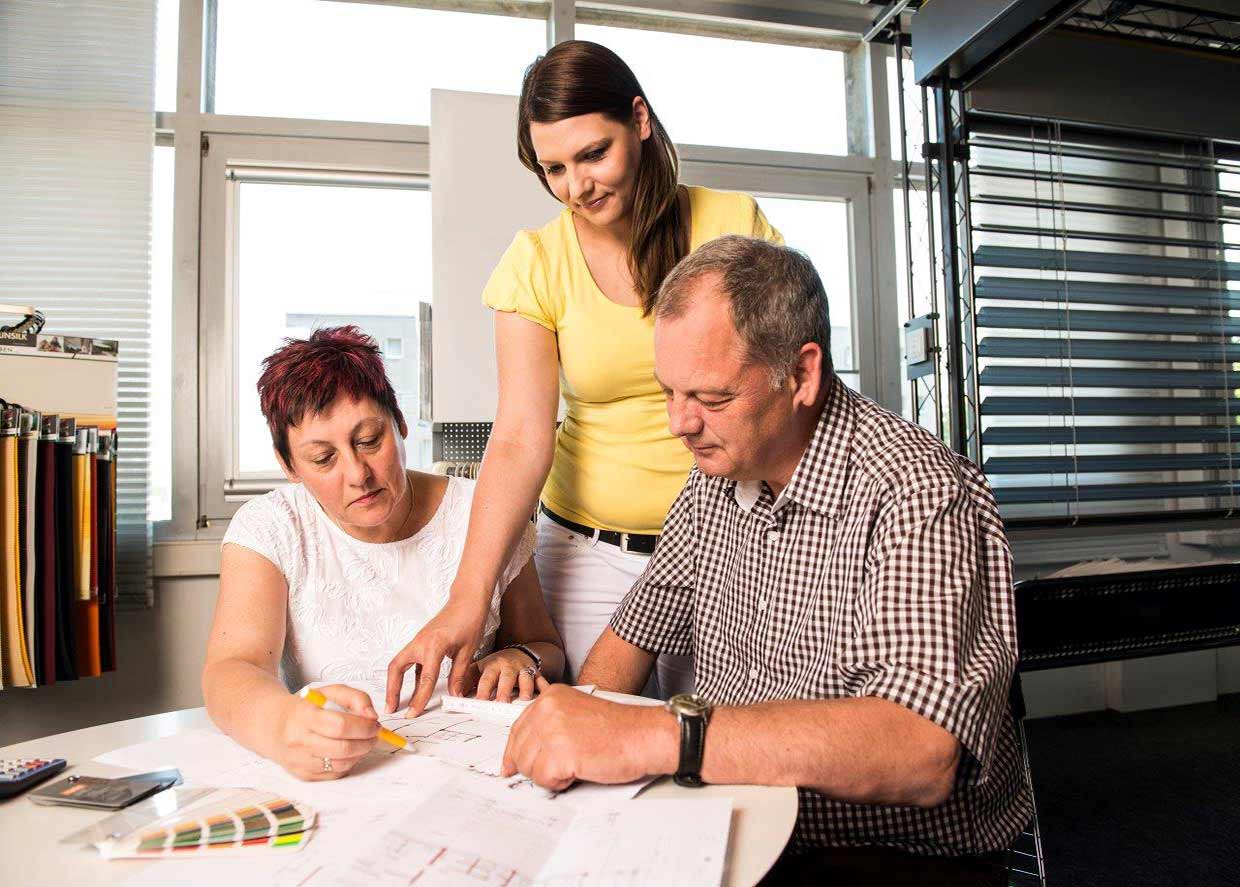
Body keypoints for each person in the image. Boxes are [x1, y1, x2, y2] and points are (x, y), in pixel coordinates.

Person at [501, 237, 1033, 882]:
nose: (680, 423)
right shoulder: (718, 473)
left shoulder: (920, 490)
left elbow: (920, 751)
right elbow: (636, 630)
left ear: (802, 375)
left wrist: (653, 737)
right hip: (733, 808)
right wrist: (578, 722)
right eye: (668, 391)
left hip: (882, 852)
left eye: (712, 398)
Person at [385, 40, 784, 716]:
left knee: (727, 751)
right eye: (554, 168)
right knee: (592, 753)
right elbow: (519, 437)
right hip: (590, 554)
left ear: (640, 119)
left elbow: (781, 394)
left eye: (594, 154)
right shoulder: (536, 262)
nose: (577, 186)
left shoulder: (731, 225)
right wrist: (467, 599)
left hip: (731, 544)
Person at [202, 327, 564, 781]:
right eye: (322, 459)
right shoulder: (272, 527)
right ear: (288, 466)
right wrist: (282, 724)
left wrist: (518, 659)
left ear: (400, 423)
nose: (358, 473)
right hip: (344, 775)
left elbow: (546, 647)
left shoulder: (484, 510)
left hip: (474, 769)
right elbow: (232, 669)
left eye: (371, 440)